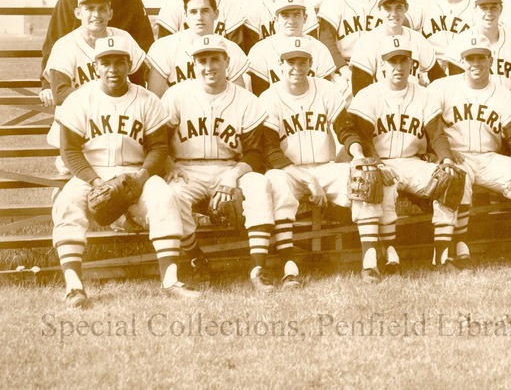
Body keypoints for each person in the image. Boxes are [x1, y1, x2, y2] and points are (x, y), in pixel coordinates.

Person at [51, 37, 200, 308]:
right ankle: (73, 286)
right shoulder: (80, 99)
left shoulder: (147, 100)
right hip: (91, 173)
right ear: (96, 66)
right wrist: (95, 182)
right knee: (66, 202)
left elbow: (158, 148)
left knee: (164, 198)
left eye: (119, 62)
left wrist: (142, 176)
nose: (113, 69)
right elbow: (70, 151)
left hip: (136, 171)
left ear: (129, 64)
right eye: (105, 62)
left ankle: (171, 281)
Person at [161, 35, 300, 292]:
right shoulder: (176, 96)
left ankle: (258, 268)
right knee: (170, 195)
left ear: (227, 62)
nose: (208, 66)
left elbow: (255, 154)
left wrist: (232, 176)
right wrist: (169, 165)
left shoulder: (247, 100)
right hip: (187, 169)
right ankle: (196, 258)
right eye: (202, 60)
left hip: (231, 167)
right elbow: (158, 143)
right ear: (194, 64)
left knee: (259, 184)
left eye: (215, 59)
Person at [426, 35, 511, 266]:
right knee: (453, 183)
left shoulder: (503, 94)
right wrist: (443, 154)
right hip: (456, 156)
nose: (476, 63)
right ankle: (453, 250)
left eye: (481, 57)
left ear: (490, 60)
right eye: (470, 58)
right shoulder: (442, 87)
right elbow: (429, 125)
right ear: (462, 61)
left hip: (489, 158)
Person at [259, 38, 384, 283]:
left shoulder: (326, 90)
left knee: (362, 177)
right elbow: (271, 152)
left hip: (325, 168)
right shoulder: (268, 97)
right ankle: (289, 266)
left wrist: (358, 156)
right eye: (291, 62)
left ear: (310, 64)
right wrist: (306, 179)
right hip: (289, 170)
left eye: (302, 62)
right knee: (275, 183)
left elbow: (345, 131)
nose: (297, 67)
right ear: (280, 65)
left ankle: (370, 261)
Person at [349, 35, 463, 271]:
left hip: (412, 162)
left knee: (450, 178)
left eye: (404, 61)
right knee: (374, 181)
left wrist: (447, 159)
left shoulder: (424, 95)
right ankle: (383, 252)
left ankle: (441, 257)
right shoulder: (368, 95)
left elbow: (437, 135)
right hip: (379, 161)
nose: (398, 67)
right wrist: (377, 163)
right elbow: (363, 138)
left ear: (412, 64)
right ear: (382, 65)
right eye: (393, 61)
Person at [40, 0, 153, 104]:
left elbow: (144, 40)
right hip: (79, 80)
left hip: (121, 77)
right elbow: (54, 41)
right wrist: (47, 84)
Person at [42, 0, 147, 148]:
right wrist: (109, 92)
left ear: (110, 13)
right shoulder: (64, 45)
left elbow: (139, 84)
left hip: (117, 123)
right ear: (78, 13)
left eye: (102, 9)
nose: (96, 15)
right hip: (78, 126)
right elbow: (60, 94)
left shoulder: (124, 38)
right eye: (89, 9)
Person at [146, 0, 248, 97]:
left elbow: (239, 98)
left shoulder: (231, 49)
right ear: (186, 15)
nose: (199, 17)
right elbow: (155, 99)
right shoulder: (165, 46)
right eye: (193, 12)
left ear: (216, 14)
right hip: (178, 112)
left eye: (205, 11)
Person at [349, 0, 443, 96]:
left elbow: (439, 79)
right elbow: (360, 91)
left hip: (414, 106)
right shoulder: (366, 43)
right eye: (387, 8)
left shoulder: (417, 39)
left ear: (406, 8)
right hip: (381, 106)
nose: (393, 14)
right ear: (378, 10)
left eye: (398, 8)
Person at [247, 0, 335, 96]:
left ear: (305, 18)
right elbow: (260, 96)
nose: (291, 21)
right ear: (276, 19)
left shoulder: (319, 49)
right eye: (285, 15)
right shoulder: (260, 50)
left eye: (297, 15)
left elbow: (325, 92)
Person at [317, 0, 382, 85]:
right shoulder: (335, 0)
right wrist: (343, 69)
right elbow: (326, 39)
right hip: (345, 66)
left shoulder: (384, 1)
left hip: (379, 66)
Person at [444, 0, 511, 88]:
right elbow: (456, 88)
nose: (489, 13)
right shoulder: (459, 43)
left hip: (507, 102)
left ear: (501, 9)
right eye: (484, 8)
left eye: (493, 7)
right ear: (475, 9)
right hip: (471, 103)